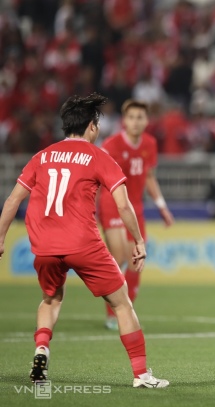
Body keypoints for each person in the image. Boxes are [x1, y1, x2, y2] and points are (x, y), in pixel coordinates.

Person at [0, 93, 169, 388]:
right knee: (122, 304)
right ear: (92, 126)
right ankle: (142, 375)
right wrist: (138, 239)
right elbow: (123, 205)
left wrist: (1, 239)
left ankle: (42, 348)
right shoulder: (99, 156)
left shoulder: (42, 156)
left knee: (51, 298)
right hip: (83, 244)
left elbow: (13, 201)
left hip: (44, 246)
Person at [97, 99, 174, 330]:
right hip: (111, 204)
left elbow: (149, 177)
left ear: (146, 121)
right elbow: (98, 179)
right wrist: (90, 208)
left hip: (136, 208)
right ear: (124, 120)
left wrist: (162, 206)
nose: (135, 122)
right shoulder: (111, 145)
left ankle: (127, 307)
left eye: (140, 117)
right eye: (131, 117)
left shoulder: (149, 143)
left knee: (136, 261)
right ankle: (113, 314)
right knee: (119, 256)